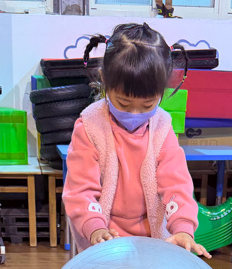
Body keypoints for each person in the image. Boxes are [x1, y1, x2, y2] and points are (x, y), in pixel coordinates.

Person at [62, 23, 209, 257]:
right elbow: (80, 190)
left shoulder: (162, 127)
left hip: (153, 238)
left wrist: (183, 229)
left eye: (148, 104)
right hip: (105, 235)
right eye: (123, 103)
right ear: (104, 80)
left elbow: (177, 184)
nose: (134, 113)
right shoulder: (90, 126)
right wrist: (95, 228)